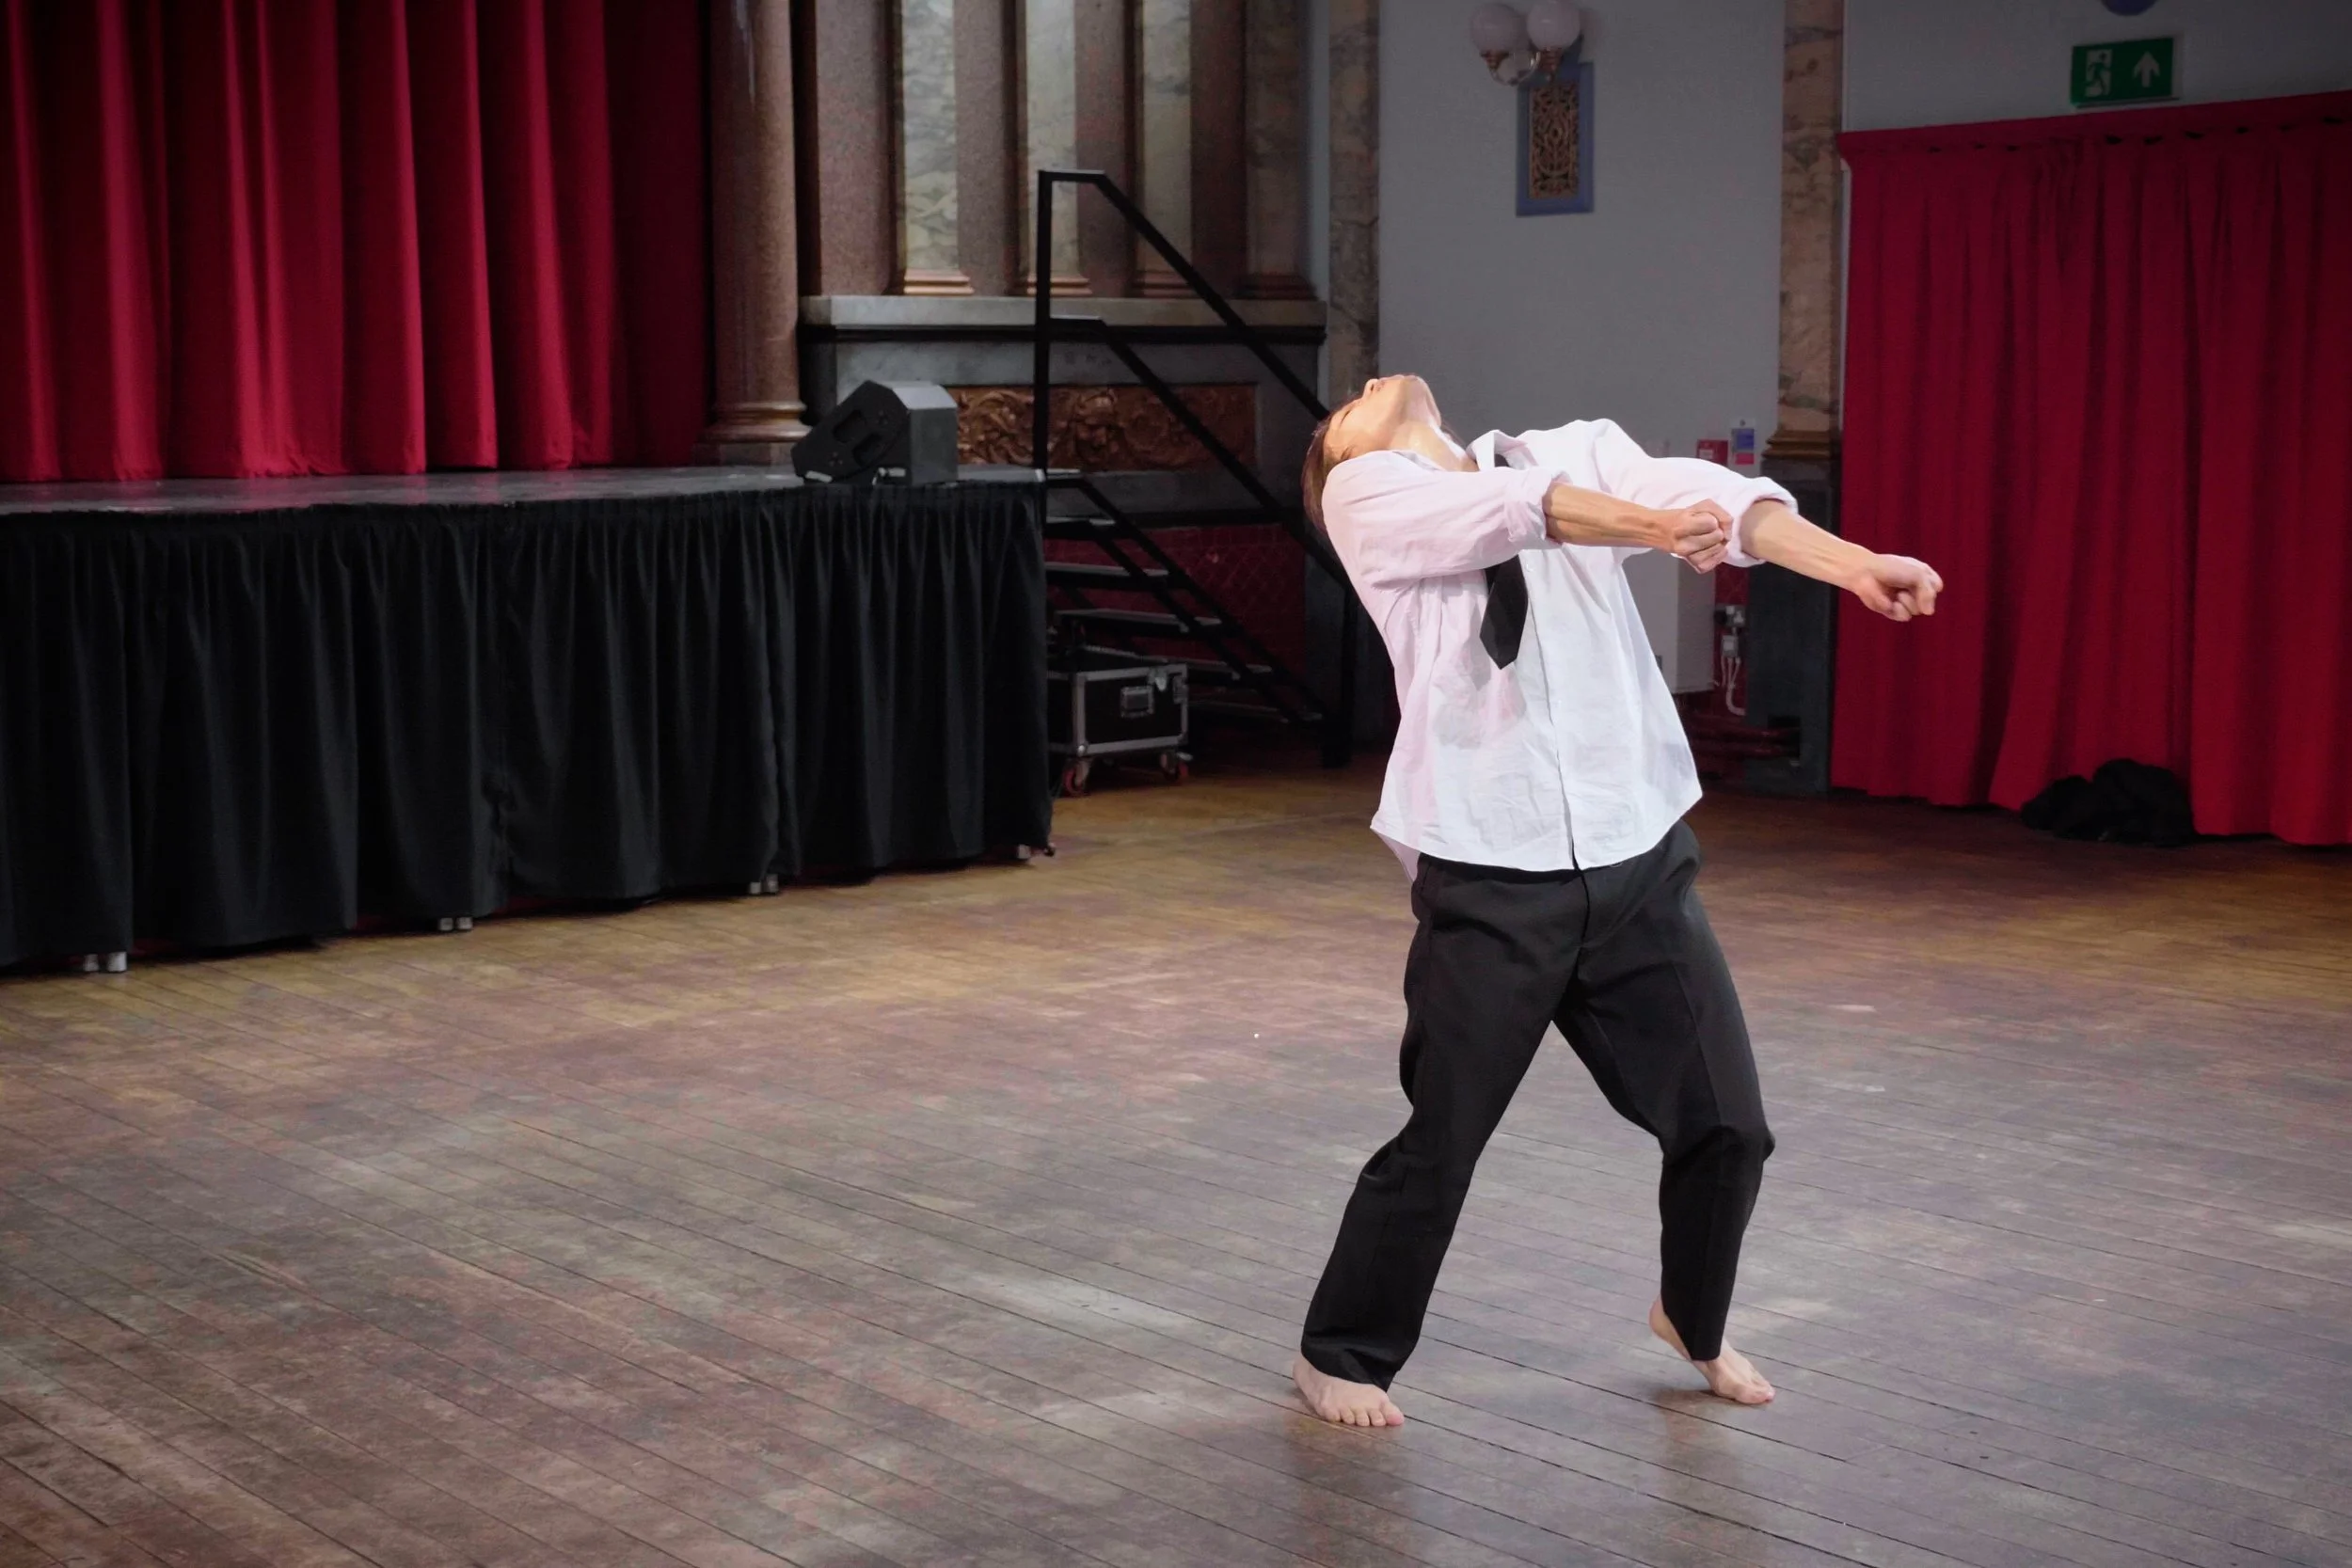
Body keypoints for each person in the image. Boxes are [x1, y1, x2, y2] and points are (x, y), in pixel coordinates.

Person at [1290, 374, 1942, 1428]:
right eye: (1342, 410)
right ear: (1337, 459)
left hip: (1637, 856)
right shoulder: (1368, 498)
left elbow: (1717, 503)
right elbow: (1520, 513)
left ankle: (1692, 1312)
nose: (1370, 384)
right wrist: (1651, 527)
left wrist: (1852, 564)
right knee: (1444, 1136)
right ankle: (1340, 1350)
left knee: (1729, 1125)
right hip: (1493, 875)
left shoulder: (1569, 448)